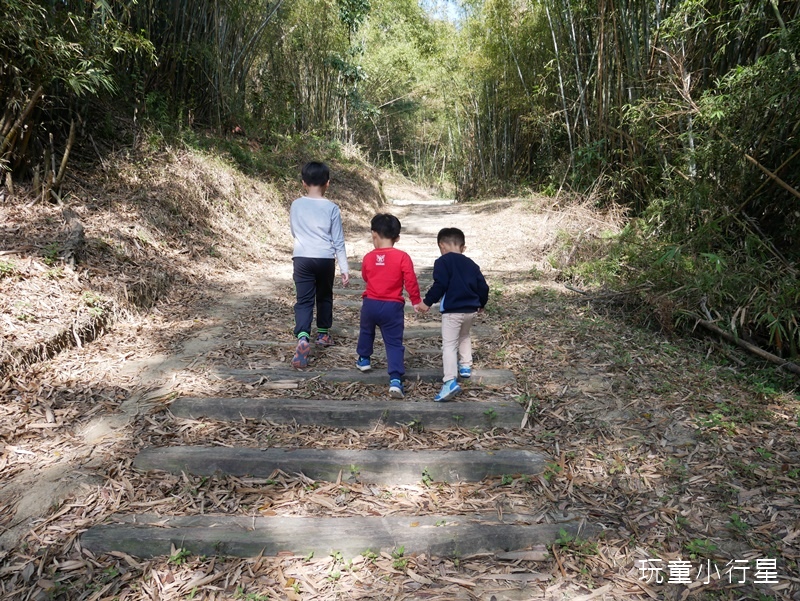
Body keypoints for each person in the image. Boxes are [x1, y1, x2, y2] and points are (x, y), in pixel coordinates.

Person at [355, 213, 424, 398]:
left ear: (374, 234)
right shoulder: (402, 257)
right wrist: (416, 300)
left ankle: (364, 359)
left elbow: (365, 277)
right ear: (397, 237)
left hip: (370, 304)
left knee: (366, 331)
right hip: (392, 306)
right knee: (393, 343)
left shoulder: (369, 257)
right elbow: (410, 280)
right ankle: (395, 379)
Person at [289, 161, 350, 368]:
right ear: (328, 183)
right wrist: (345, 268)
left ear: (304, 182)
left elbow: (294, 231)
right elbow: (338, 240)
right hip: (325, 258)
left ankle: (303, 337)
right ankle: (323, 335)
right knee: (324, 296)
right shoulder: (332, 207)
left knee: (304, 300)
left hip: (302, 258)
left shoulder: (296, 204)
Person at [419, 227, 489, 402]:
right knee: (464, 336)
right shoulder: (472, 264)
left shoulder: (443, 262)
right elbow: (483, 286)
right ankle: (465, 366)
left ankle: (450, 380)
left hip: (452, 311)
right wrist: (481, 302)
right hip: (470, 310)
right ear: (463, 247)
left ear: (442, 246)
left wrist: (426, 302)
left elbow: (440, 285)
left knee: (449, 345)